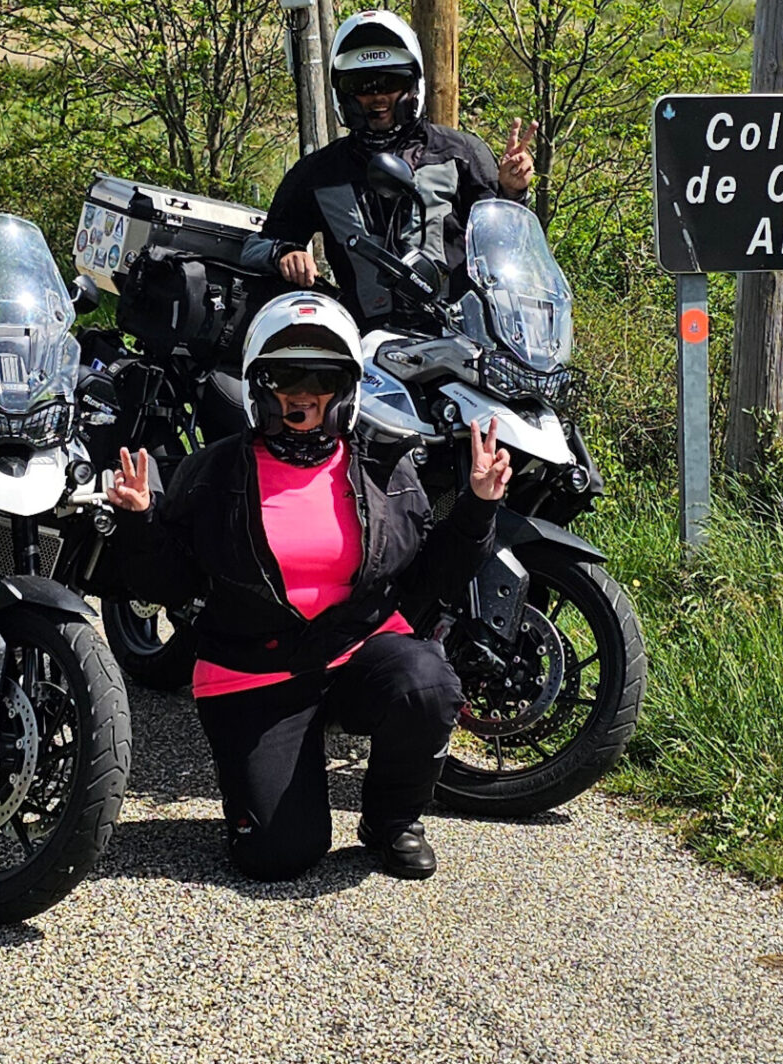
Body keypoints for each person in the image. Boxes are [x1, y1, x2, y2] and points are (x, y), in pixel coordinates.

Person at [104, 291, 512, 881]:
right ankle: (277, 787)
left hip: (353, 651)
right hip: (253, 672)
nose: (300, 391)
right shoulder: (214, 471)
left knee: (427, 683)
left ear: (345, 388)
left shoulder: (382, 467)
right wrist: (140, 521)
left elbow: (429, 581)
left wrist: (477, 507)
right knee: (278, 855)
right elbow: (166, 584)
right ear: (255, 385)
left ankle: (391, 819)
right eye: (282, 375)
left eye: (320, 377)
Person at [244, 9, 539, 330]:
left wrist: (512, 191)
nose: (377, 96)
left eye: (391, 80)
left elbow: (506, 247)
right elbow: (259, 245)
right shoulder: (319, 172)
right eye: (362, 84)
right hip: (365, 344)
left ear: (413, 84)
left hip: (458, 340)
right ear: (342, 93)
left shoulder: (461, 154)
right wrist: (284, 253)